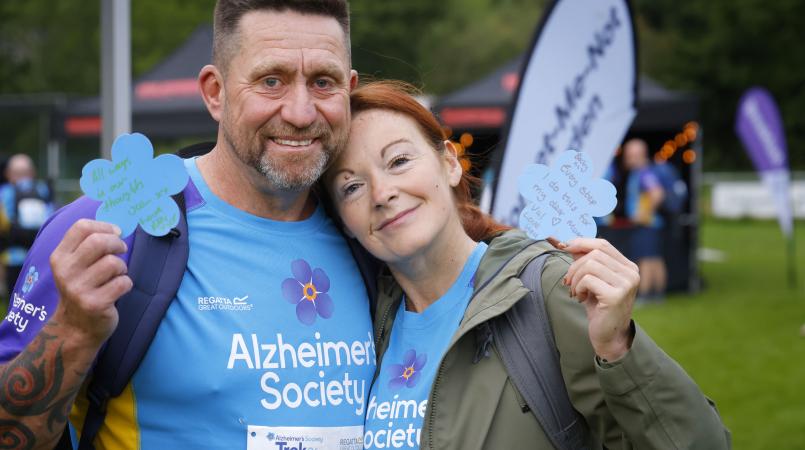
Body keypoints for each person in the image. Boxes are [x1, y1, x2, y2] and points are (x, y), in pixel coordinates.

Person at [0, 1, 376, 448]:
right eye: (271, 81)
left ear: (349, 91)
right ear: (215, 92)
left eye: (323, 82)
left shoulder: (374, 235)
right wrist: (74, 332)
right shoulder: (111, 226)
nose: (300, 112)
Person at [324, 81, 731, 449]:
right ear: (344, 219)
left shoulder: (548, 288)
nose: (382, 193)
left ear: (449, 163)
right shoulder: (368, 325)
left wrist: (619, 349)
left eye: (398, 161)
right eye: (351, 186)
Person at [0, 153, 54, 297]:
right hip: (39, 256)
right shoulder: (42, 189)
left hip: (13, 257)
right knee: (37, 300)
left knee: (14, 301)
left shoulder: (5, 192)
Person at [622, 138, 667, 302]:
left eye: (630, 155)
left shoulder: (645, 173)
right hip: (650, 225)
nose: (628, 159)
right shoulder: (639, 173)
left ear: (639, 155)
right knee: (653, 258)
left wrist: (643, 214)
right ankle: (657, 295)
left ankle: (646, 296)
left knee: (647, 259)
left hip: (648, 224)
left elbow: (657, 193)